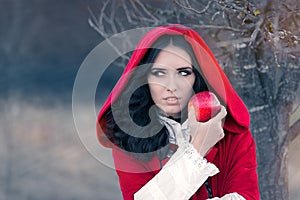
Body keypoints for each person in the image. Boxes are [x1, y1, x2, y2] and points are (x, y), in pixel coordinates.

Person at [96, 24, 260, 199]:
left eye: (183, 73)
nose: (172, 86)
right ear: (144, 79)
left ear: (198, 76)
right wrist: (197, 148)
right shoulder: (127, 141)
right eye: (159, 73)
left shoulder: (234, 135)